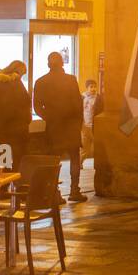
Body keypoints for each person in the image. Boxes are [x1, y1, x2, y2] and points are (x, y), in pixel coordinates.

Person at [34, 52, 86, 202]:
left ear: (48, 64)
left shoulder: (41, 81)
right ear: (62, 63)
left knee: (53, 160)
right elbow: (77, 103)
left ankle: (54, 193)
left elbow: (37, 106)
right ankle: (74, 191)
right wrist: (78, 122)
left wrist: (49, 117)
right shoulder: (70, 80)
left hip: (53, 126)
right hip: (70, 126)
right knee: (74, 158)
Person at [0, 60, 31, 166]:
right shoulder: (16, 83)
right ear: (18, 71)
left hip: (1, 127)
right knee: (18, 158)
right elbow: (24, 102)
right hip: (17, 128)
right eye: (22, 73)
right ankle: (17, 181)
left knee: (3, 158)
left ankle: (3, 181)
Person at [81, 79, 104, 165]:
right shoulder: (82, 97)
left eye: (95, 87)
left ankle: (99, 165)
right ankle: (79, 164)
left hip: (96, 126)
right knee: (84, 147)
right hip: (85, 125)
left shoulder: (99, 98)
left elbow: (102, 110)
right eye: (91, 87)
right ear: (87, 88)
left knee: (98, 146)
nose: (93, 89)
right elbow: (79, 110)